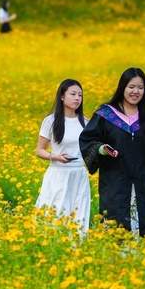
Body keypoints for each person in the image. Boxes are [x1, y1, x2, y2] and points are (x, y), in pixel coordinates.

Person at [79, 67, 145, 237]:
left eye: (140, 88)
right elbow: (87, 139)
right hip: (115, 181)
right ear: (122, 88)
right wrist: (101, 149)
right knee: (115, 222)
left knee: (142, 223)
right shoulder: (106, 114)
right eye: (131, 87)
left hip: (143, 181)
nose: (135, 91)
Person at [34, 79, 91, 236]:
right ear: (62, 96)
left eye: (80, 95)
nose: (77, 98)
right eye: (73, 94)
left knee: (79, 215)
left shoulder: (86, 122)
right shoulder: (51, 121)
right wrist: (55, 157)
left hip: (79, 174)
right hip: (58, 174)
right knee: (55, 213)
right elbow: (39, 150)